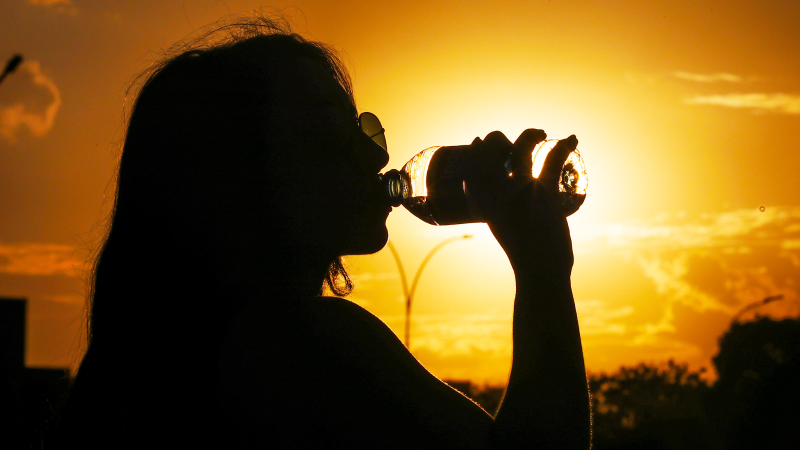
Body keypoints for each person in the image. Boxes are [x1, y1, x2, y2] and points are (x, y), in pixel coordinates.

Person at [46, 16, 590, 449]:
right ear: (240, 179)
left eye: (362, 129)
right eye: (328, 136)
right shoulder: (296, 342)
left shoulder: (145, 368)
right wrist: (542, 269)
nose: (373, 156)